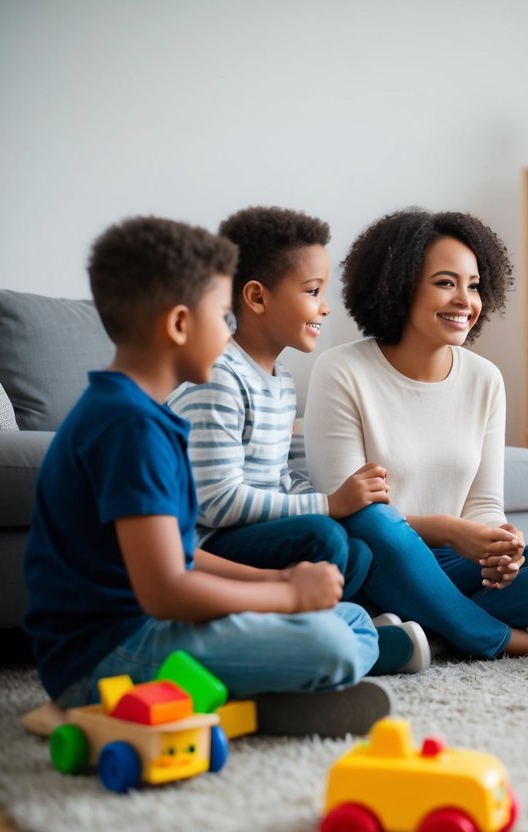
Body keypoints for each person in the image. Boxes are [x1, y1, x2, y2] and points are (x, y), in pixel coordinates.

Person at [23, 216, 393, 738]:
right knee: (332, 643)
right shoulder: (129, 428)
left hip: (148, 631)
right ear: (178, 325)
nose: (230, 330)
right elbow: (166, 592)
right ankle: (118, 706)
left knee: (351, 621)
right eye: (223, 315)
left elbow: (182, 555)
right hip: (107, 654)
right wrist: (286, 599)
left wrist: (281, 580)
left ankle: (240, 700)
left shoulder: (144, 414)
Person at [304, 208, 528, 659]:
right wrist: (453, 532)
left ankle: (427, 628)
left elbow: (484, 504)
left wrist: (498, 546)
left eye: (473, 286)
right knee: (375, 522)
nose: (465, 300)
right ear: (399, 283)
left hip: (452, 567)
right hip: (379, 564)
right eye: (445, 283)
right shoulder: (341, 370)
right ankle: (500, 639)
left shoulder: (485, 378)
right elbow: (348, 512)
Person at [168, 206, 428, 675]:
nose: (325, 307)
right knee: (324, 533)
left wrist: (341, 500)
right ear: (256, 297)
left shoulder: (281, 381)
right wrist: (328, 504)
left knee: (358, 546)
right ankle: (318, 642)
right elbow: (216, 503)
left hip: (249, 534)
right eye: (312, 292)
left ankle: (330, 637)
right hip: (209, 546)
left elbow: (278, 479)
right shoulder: (218, 377)